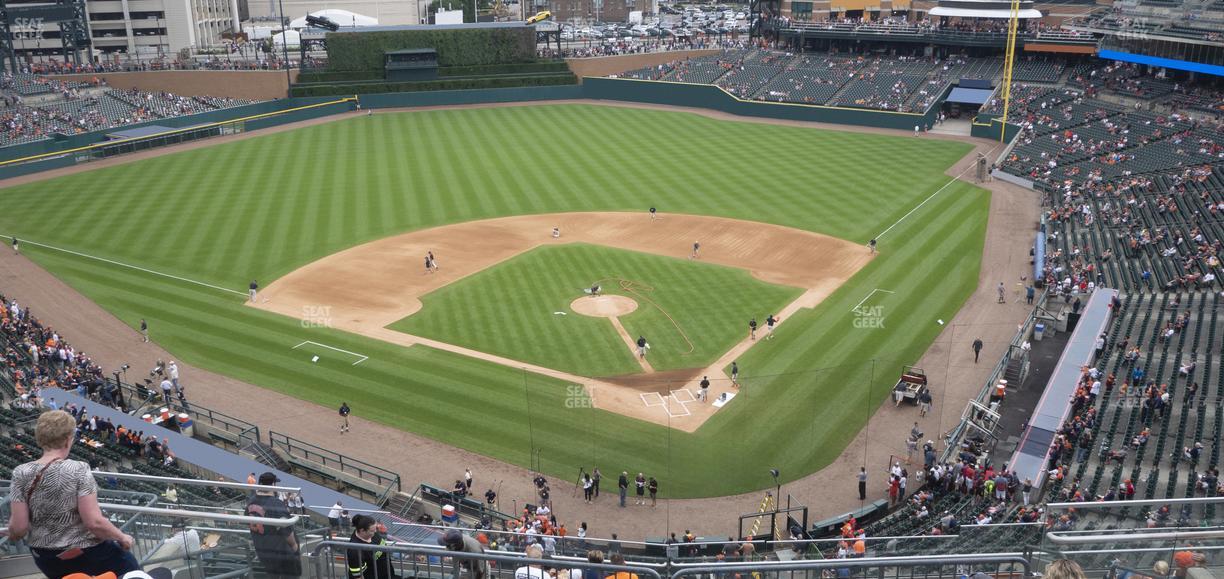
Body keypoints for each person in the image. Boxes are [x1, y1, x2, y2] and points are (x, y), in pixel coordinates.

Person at [2, 410, 140, 579]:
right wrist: (122, 537)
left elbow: (19, 528)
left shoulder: (20, 472)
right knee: (133, 572)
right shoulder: (78, 469)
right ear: (68, 439)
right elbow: (94, 522)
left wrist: (11, 532)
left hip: (46, 558)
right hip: (86, 553)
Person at [246, 472, 301, 578]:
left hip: (262, 551)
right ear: (273, 485)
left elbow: (247, 521)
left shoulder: (251, 501)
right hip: (281, 554)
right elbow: (287, 532)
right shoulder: (276, 504)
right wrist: (295, 547)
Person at [347, 514, 398, 579]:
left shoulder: (373, 534)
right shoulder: (354, 550)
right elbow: (358, 576)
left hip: (387, 573)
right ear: (362, 530)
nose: (375, 531)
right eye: (372, 531)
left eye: (375, 529)